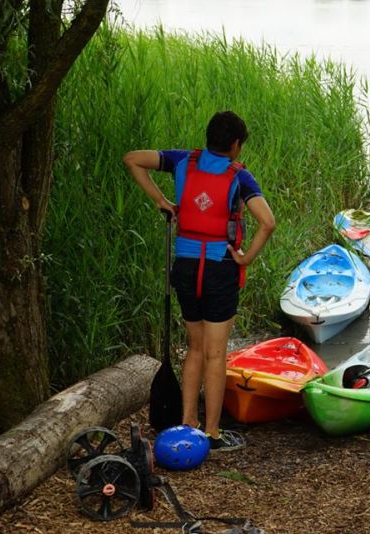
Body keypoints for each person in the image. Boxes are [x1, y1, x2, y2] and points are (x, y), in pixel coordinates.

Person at [123, 111, 275, 453]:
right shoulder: (241, 176)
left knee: (194, 348)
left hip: (186, 268)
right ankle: (211, 434)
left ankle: (187, 423)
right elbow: (268, 222)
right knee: (216, 354)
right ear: (235, 145)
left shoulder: (182, 161)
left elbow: (132, 159)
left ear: (209, 138)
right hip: (220, 268)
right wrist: (246, 257)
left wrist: (161, 201)